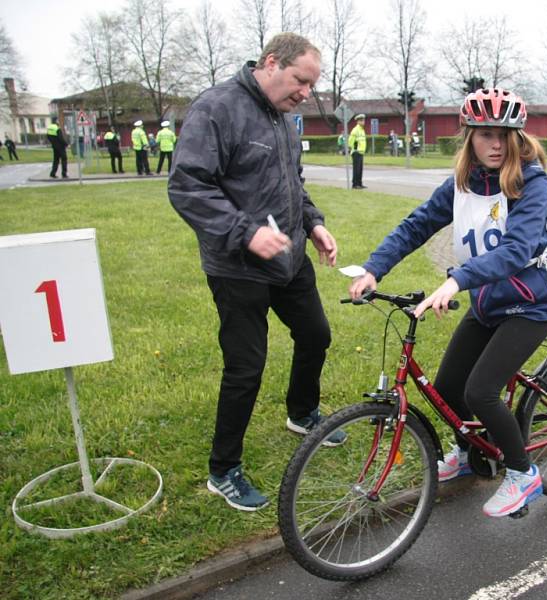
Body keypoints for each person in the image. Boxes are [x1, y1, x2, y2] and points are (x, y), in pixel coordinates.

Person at [348, 88, 547, 518]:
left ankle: (523, 474)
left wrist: (457, 280)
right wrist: (374, 269)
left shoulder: (530, 183)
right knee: (447, 390)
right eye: (486, 134)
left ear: (518, 136)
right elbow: (417, 225)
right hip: (488, 301)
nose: (496, 144)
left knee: (481, 391)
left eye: (505, 134)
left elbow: (517, 251)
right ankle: (468, 454)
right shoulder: (462, 184)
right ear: (470, 138)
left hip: (531, 302)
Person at [169, 32, 343, 512]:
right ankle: (224, 470)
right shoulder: (216, 108)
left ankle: (302, 413)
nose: (305, 93)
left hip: (289, 259)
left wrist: (314, 224)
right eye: (299, 81)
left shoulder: (287, 119)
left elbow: (293, 182)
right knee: (245, 369)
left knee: (316, 335)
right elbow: (187, 187)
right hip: (238, 267)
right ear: (271, 63)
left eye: (311, 85)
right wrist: (245, 233)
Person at [348, 113, 367, 189]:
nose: (363, 122)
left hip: (361, 152)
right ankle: (355, 184)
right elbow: (350, 141)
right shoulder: (355, 130)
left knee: (360, 169)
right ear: (358, 121)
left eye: (363, 120)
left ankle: (359, 183)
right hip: (356, 152)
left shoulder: (362, 130)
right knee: (356, 169)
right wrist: (353, 149)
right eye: (361, 121)